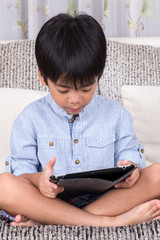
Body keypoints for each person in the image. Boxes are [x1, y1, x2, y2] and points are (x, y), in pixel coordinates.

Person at [1, 13, 160, 228]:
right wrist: (39, 180)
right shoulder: (30, 118)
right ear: (42, 77)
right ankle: (110, 222)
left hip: (106, 199)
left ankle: (49, 221)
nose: (75, 99)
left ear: (99, 76)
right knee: (4, 185)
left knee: (158, 173)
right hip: (47, 201)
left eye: (87, 88)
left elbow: (131, 157)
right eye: (63, 90)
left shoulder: (116, 113)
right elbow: (21, 173)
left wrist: (131, 170)